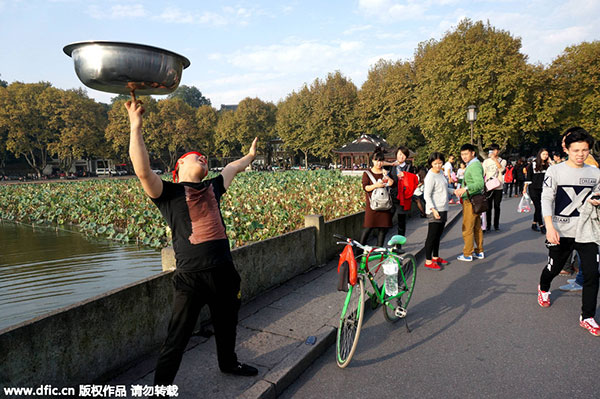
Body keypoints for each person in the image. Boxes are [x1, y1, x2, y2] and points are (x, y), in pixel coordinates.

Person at [125, 99, 259, 385]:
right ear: (179, 165)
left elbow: (234, 167)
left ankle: (228, 363)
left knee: (227, 326)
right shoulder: (168, 193)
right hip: (191, 279)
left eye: (205, 159)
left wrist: (249, 156)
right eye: (195, 156)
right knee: (177, 338)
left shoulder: (213, 187)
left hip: (224, 271)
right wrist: (136, 127)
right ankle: (160, 389)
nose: (203, 159)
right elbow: (142, 170)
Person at [537, 127, 600, 336]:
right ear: (567, 150)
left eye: (585, 150)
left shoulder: (595, 172)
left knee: (592, 273)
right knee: (554, 268)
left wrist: (595, 200)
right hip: (561, 230)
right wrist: (549, 227)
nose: (581, 154)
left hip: (586, 231)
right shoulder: (555, 171)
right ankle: (543, 288)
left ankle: (587, 316)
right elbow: (546, 198)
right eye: (576, 150)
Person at [454, 144, 485, 261]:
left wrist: (465, 189)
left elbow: (480, 183)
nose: (464, 156)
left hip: (470, 200)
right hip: (475, 199)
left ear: (473, 153)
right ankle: (479, 250)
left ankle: (467, 253)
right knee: (477, 226)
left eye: (466, 154)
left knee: (467, 227)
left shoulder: (474, 166)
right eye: (462, 154)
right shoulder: (473, 164)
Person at [423, 152, 454, 270]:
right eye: (435, 163)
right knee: (431, 236)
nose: (438, 165)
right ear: (431, 163)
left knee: (438, 235)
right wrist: (433, 209)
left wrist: (454, 191)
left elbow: (444, 189)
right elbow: (427, 195)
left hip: (443, 207)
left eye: (440, 163)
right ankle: (428, 260)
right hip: (434, 209)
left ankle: (435, 257)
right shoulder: (430, 176)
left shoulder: (441, 173)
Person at [360, 147, 394, 248]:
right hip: (372, 205)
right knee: (368, 228)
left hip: (385, 205)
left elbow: (392, 184)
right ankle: (359, 252)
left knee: (382, 230)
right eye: (376, 160)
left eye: (381, 161)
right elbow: (365, 187)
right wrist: (376, 186)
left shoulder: (386, 172)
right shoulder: (367, 173)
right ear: (372, 161)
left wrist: (387, 177)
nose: (379, 163)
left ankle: (380, 251)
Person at [388, 146, 417, 252]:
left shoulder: (409, 167)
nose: (401, 157)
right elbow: (380, 165)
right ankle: (385, 243)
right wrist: (391, 164)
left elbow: (414, 180)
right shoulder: (392, 167)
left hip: (403, 198)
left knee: (401, 222)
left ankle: (399, 246)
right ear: (396, 154)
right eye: (399, 154)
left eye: (404, 155)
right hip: (392, 196)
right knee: (387, 220)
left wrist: (405, 175)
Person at [523, 148, 550, 234]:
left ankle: (534, 223)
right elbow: (529, 177)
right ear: (539, 155)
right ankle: (542, 225)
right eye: (543, 154)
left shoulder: (548, 165)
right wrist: (524, 188)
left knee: (539, 207)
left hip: (543, 189)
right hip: (533, 188)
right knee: (538, 207)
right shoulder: (533, 164)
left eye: (546, 154)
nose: (545, 156)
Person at [482, 144, 506, 231]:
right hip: (489, 186)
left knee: (497, 206)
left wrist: (495, 160)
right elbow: (483, 173)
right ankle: (488, 225)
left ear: (498, 151)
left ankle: (496, 224)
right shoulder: (486, 162)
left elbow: (502, 170)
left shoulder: (502, 160)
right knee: (488, 206)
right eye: (492, 150)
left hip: (498, 186)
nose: (493, 152)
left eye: (495, 150)